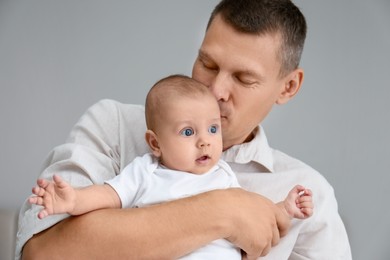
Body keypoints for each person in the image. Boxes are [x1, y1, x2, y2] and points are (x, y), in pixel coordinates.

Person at [17, 0, 352, 259]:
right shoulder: (114, 128)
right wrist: (224, 211)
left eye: (243, 78)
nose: (216, 89)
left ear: (288, 87)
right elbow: (42, 253)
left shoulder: (309, 196)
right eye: (207, 64)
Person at [28, 75, 314, 260]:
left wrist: (285, 208)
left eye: (212, 129)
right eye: (188, 133)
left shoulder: (224, 177)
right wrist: (74, 199)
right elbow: (109, 195)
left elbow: (256, 221)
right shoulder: (146, 171)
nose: (205, 142)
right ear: (155, 143)